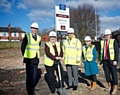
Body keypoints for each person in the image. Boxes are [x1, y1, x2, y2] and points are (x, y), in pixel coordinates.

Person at [21, 22, 41, 95]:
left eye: (36, 29)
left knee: (34, 75)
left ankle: (32, 87)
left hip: (35, 58)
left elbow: (38, 46)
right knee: (29, 75)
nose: (34, 30)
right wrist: (25, 55)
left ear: (37, 29)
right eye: (33, 28)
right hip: (29, 59)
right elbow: (23, 47)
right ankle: (29, 90)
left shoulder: (39, 37)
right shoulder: (27, 36)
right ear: (31, 29)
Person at [100, 29, 119, 95]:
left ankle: (115, 88)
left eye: (108, 35)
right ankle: (109, 86)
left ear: (110, 35)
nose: (107, 36)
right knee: (107, 75)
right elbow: (102, 52)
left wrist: (116, 60)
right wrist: (101, 60)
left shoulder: (114, 41)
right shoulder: (102, 42)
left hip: (112, 61)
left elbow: (117, 51)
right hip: (105, 61)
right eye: (106, 35)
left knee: (114, 75)